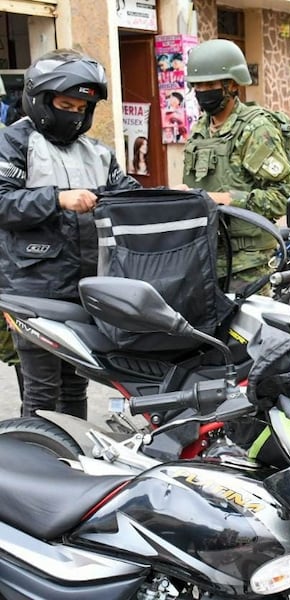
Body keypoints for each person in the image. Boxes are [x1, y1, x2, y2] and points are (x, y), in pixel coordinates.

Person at [0, 49, 141, 419]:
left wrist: (173, 199)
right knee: (42, 390)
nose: (74, 114)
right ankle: (38, 462)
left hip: (85, 284)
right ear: (40, 99)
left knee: (76, 382)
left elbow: (129, 193)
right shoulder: (13, 144)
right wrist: (57, 199)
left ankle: (74, 463)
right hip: (33, 288)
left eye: (81, 108)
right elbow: (2, 203)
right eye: (66, 104)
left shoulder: (97, 153)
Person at [183, 39, 290, 295]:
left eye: (211, 85)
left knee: (247, 335)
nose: (203, 91)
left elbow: (283, 198)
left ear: (232, 84)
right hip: (206, 257)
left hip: (248, 266)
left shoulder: (256, 130)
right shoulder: (200, 130)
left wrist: (225, 200)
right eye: (198, 85)